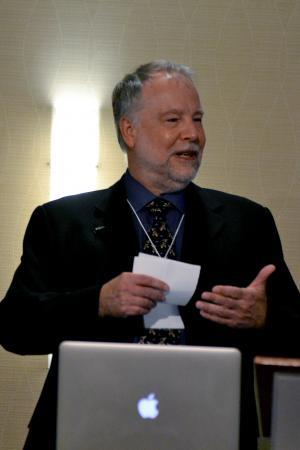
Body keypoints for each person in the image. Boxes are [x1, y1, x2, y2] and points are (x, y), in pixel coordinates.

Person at [0, 60, 299, 450]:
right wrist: (97, 302)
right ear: (130, 130)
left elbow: (296, 332)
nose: (193, 134)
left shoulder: (249, 222)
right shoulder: (60, 221)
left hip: (210, 430)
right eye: (173, 120)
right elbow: (13, 327)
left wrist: (264, 318)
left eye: (197, 119)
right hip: (87, 427)